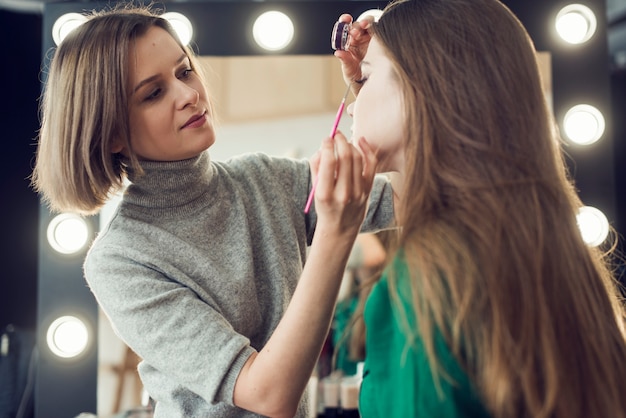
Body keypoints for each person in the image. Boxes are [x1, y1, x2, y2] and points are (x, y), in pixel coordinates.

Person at [30, 5, 396, 418]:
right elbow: (268, 395)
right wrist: (334, 234)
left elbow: (425, 193)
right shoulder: (120, 260)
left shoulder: (265, 180)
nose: (189, 95)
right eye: (153, 93)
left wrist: (379, 90)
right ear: (111, 131)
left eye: (184, 72)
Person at [333, 0, 626, 417]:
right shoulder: (546, 251)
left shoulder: (425, 280)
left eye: (364, 78)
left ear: (425, 90)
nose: (350, 105)